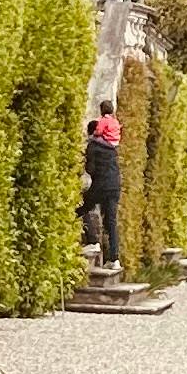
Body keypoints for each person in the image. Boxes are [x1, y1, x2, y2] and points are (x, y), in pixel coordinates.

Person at [81, 106, 123, 267]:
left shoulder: (93, 146)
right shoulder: (111, 148)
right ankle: (114, 259)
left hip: (101, 186)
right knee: (111, 222)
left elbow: (90, 169)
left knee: (82, 206)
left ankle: (92, 241)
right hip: (115, 186)